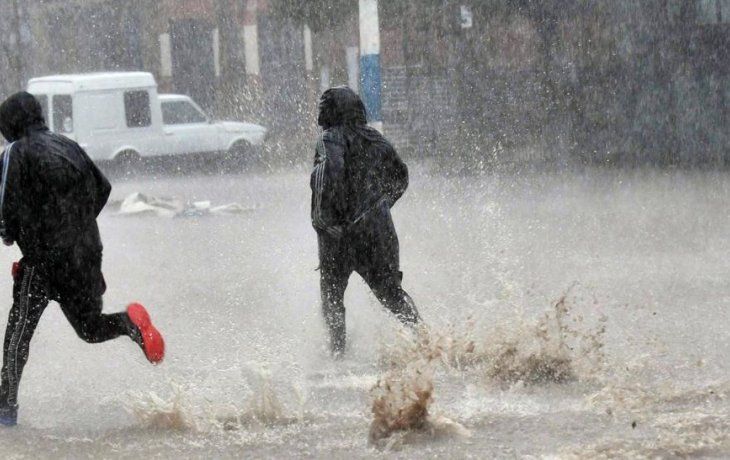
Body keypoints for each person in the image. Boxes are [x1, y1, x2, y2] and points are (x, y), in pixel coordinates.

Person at [0, 92, 164, 427]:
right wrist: (75, 229)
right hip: (85, 254)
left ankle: (5, 413)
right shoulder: (68, 145)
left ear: (10, 124)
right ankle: (130, 324)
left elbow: (4, 209)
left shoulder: (15, 152)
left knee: (18, 336)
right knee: (89, 327)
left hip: (43, 261)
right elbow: (102, 188)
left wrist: (16, 237)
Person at [310, 86, 420, 356]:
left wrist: (324, 220)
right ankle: (428, 342)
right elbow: (400, 176)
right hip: (377, 232)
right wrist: (379, 207)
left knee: (332, 298)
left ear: (330, 111)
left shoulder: (329, 139)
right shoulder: (375, 138)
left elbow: (331, 174)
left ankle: (337, 355)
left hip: (339, 235)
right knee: (392, 295)